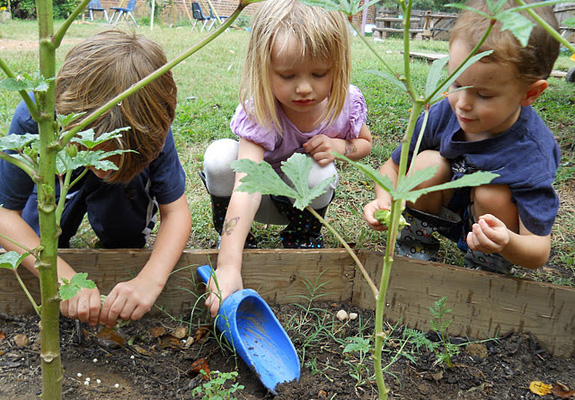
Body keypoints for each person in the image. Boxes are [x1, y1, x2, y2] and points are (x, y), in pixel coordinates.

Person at [0, 30, 192, 328]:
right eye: (97, 157)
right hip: (57, 181)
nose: (104, 171)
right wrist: (64, 278)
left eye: (115, 163)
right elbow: (4, 214)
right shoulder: (36, 116)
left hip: (126, 190)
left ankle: (121, 232)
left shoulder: (151, 127)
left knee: (124, 234)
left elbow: (176, 211)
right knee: (40, 236)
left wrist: (150, 280)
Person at [201, 0, 372, 316]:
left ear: (339, 64)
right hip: (257, 199)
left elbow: (364, 144)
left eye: (320, 73)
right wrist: (227, 266)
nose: (305, 88)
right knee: (220, 157)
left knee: (319, 171)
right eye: (287, 74)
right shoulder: (262, 110)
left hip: (302, 202)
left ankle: (301, 238)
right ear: (263, 69)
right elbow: (247, 183)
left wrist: (340, 147)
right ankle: (242, 243)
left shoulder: (345, 102)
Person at [363, 0, 560, 274]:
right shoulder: (445, 112)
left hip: (492, 230)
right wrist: (384, 200)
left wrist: (505, 241)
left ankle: (486, 266)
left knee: (493, 193)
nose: (462, 103)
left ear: (530, 93)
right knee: (425, 163)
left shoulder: (531, 152)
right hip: (445, 208)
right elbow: (393, 167)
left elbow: (538, 250)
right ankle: (416, 245)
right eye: (456, 82)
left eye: (483, 94)